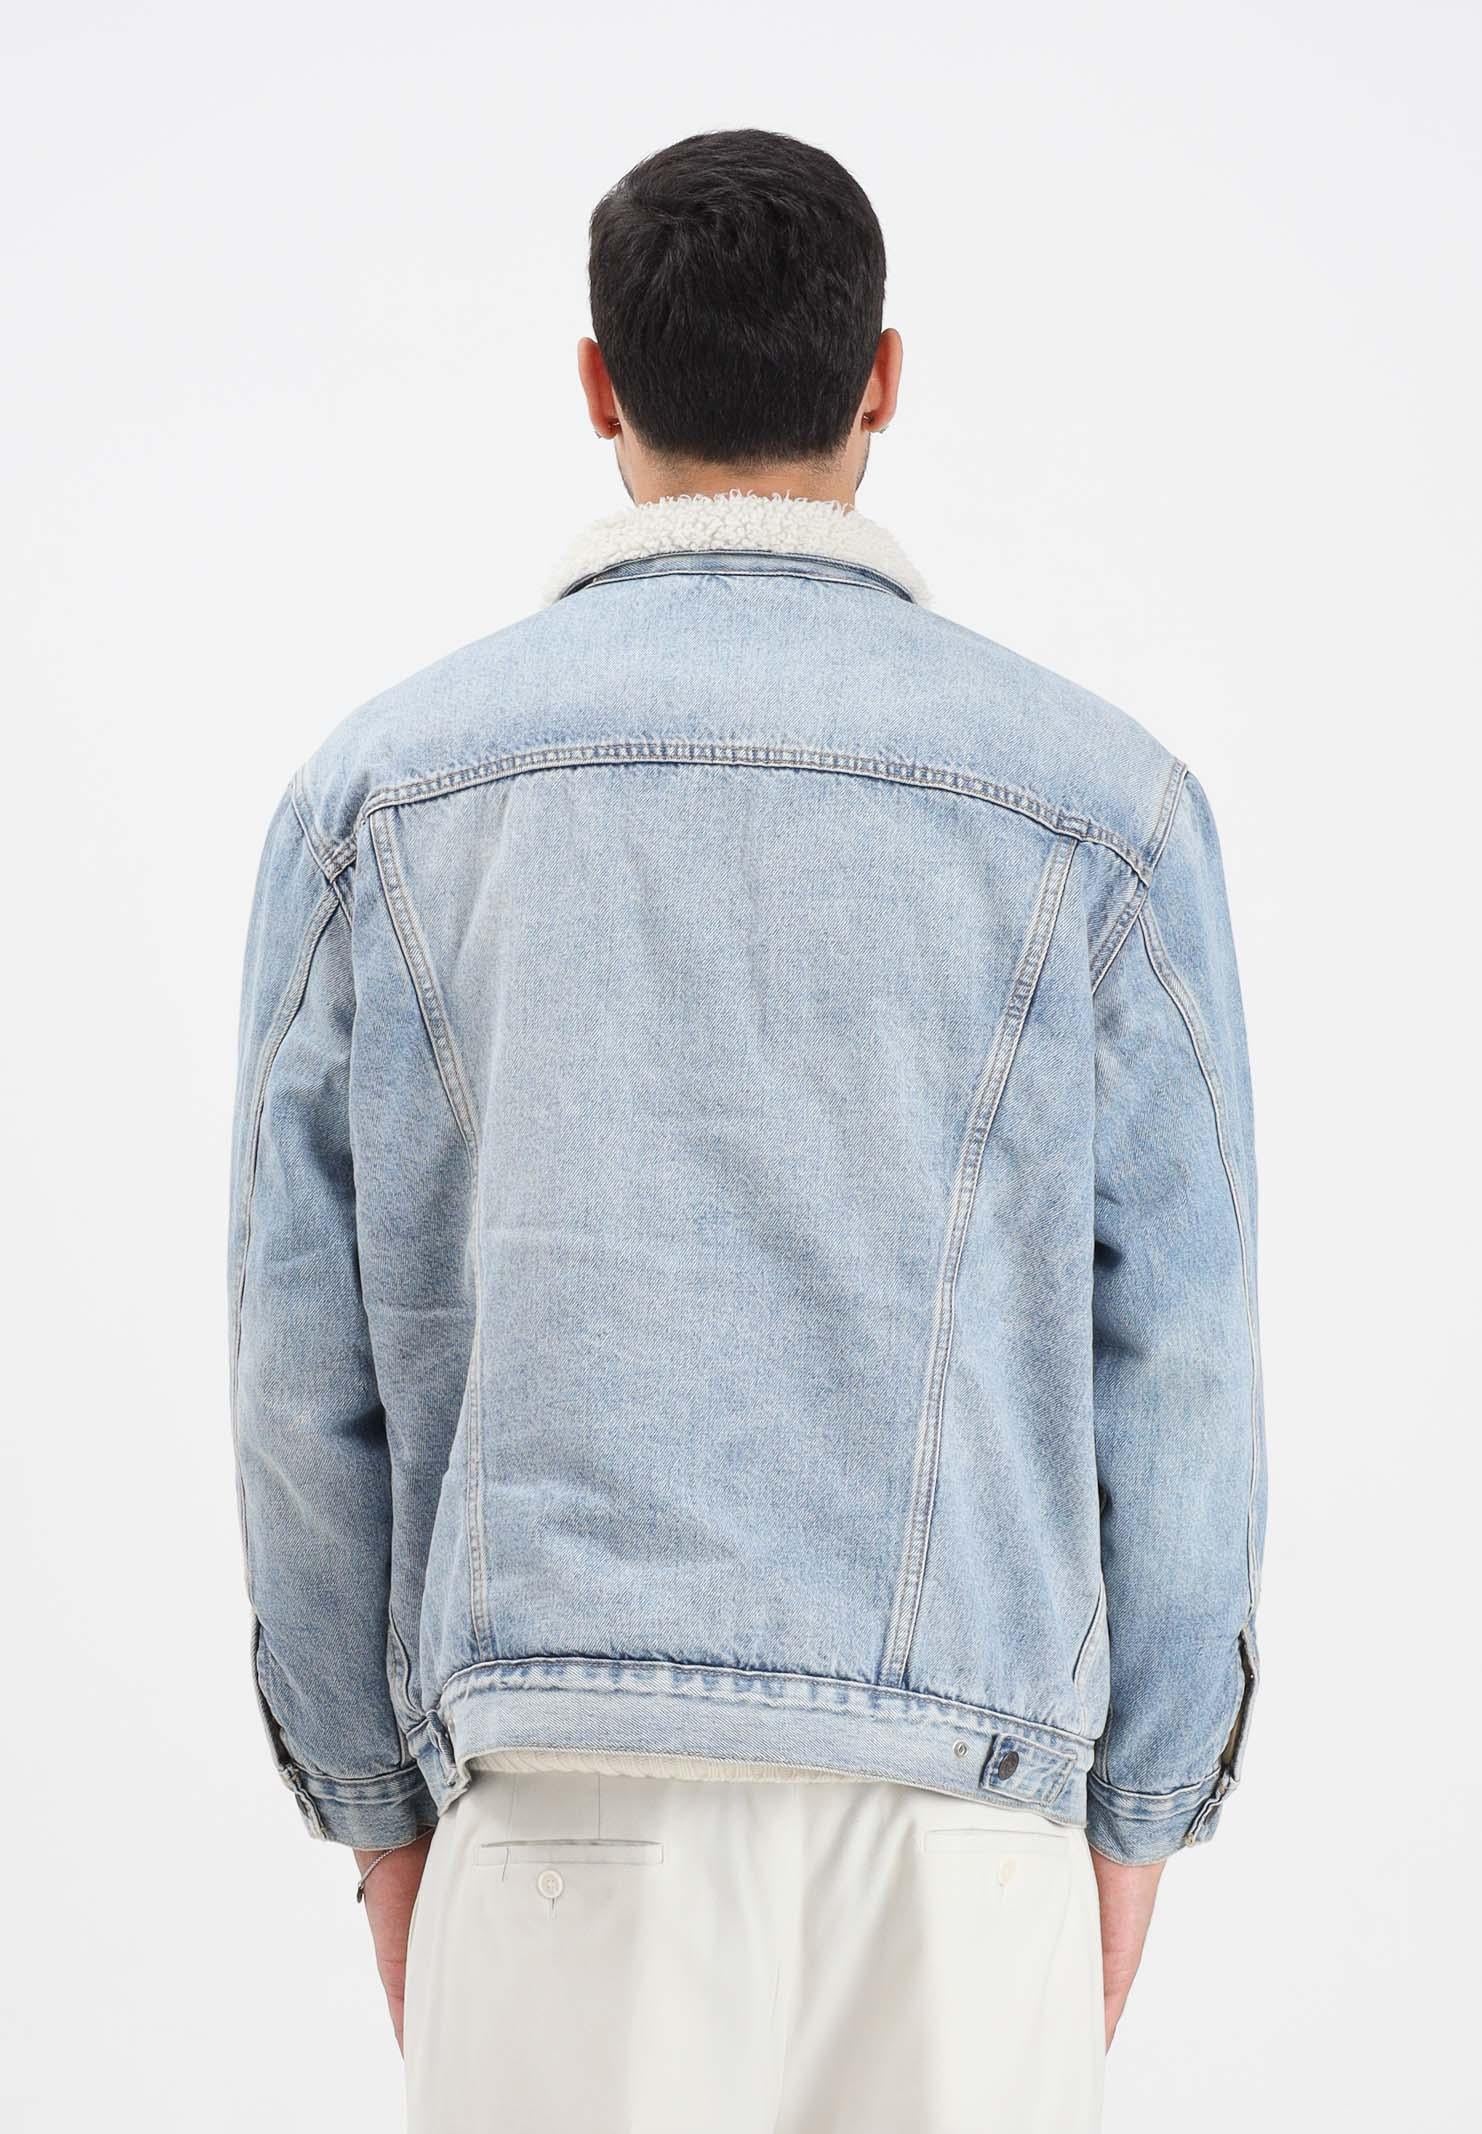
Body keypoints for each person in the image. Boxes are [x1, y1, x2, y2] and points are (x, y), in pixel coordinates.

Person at [228, 127, 1265, 2132]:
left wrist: (376, 1808)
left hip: (558, 1798)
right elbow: (1187, 1359)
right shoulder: (1103, 805)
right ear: (881, 378)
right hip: (966, 1824)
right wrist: (1140, 1809)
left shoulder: (384, 792)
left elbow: (300, 1370)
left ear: (596, 385)